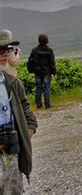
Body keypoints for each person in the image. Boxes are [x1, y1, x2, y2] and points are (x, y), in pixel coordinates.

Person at [0, 29, 38, 192]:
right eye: (0, 50)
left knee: (12, 189)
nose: (5, 54)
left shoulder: (13, 83)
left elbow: (25, 107)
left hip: (11, 148)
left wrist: (28, 130)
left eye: (7, 50)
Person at [28, 34, 57, 109]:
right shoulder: (50, 50)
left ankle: (38, 105)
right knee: (47, 88)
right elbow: (52, 63)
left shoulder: (34, 50)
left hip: (37, 72)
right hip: (47, 72)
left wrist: (32, 70)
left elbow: (31, 61)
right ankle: (47, 105)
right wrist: (54, 72)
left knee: (38, 88)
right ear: (47, 40)